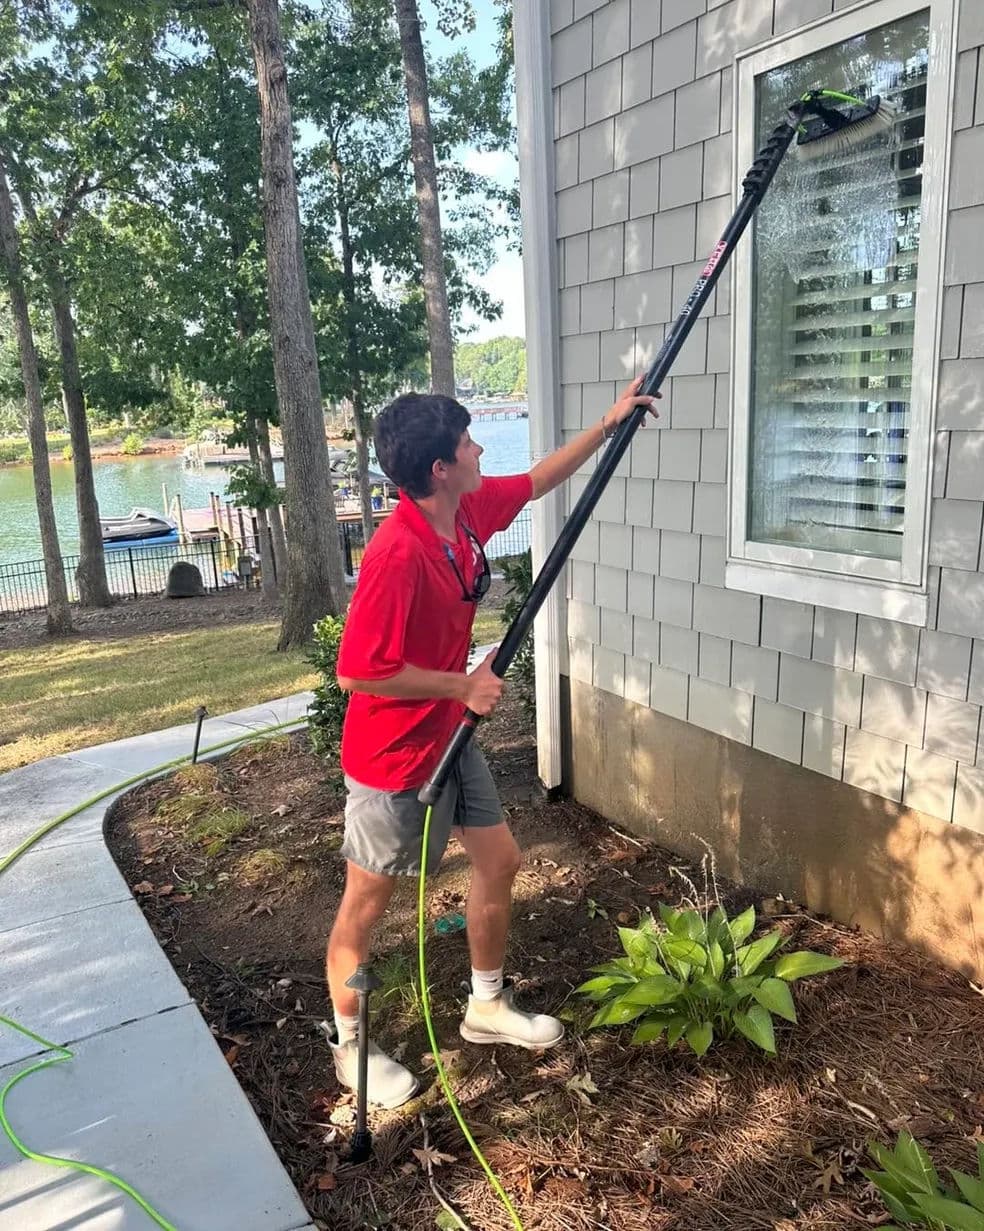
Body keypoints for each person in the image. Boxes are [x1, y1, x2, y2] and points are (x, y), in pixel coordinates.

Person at [327, 376, 658, 1108]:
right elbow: (356, 672)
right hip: (392, 760)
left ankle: (485, 1005)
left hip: (453, 733)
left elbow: (539, 479)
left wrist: (608, 425)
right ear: (440, 468)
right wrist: (459, 685)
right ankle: (348, 1046)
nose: (479, 448)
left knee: (501, 859)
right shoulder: (397, 552)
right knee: (367, 905)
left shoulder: (466, 509)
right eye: (468, 441)